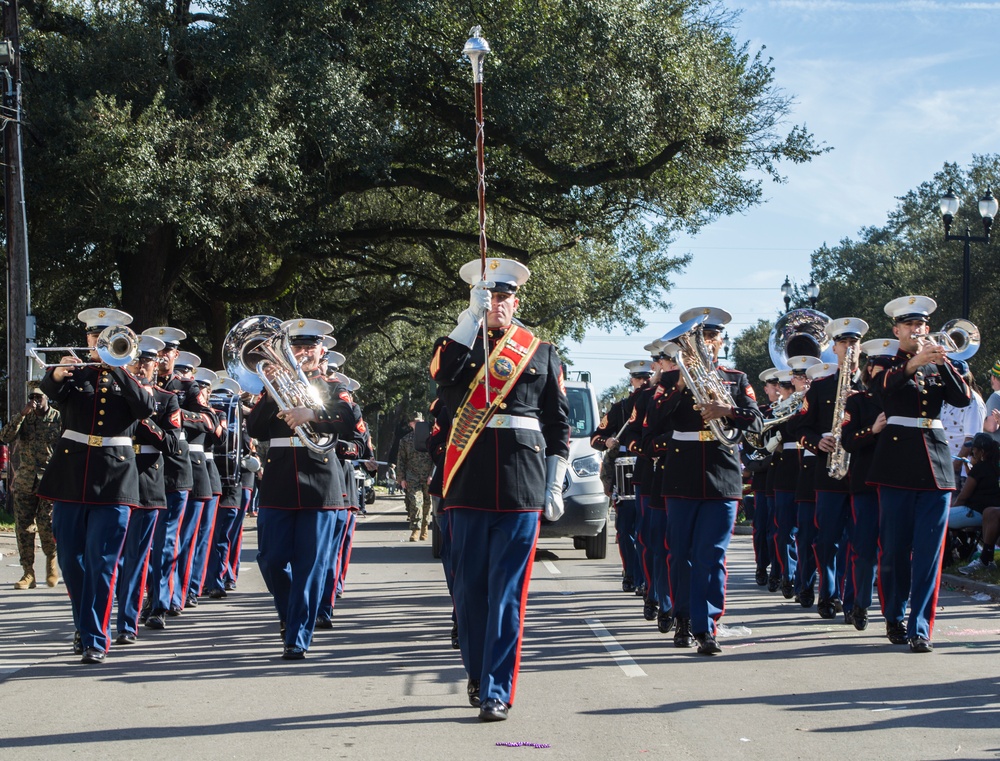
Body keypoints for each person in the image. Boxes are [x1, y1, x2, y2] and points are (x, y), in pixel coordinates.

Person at [430, 257, 569, 721]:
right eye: (488, 296)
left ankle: (496, 689)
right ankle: (477, 668)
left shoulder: (541, 351)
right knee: (470, 591)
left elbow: (557, 422)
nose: (497, 303)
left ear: (516, 300)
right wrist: (468, 321)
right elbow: (442, 376)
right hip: (466, 481)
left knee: (507, 593)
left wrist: (555, 476)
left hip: (521, 482)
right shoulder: (458, 347)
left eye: (504, 296)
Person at [36, 308, 156, 663]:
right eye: (93, 335)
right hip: (70, 476)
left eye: (105, 335)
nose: (98, 341)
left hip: (115, 478)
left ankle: (94, 639)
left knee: (101, 562)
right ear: (87, 339)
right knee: (71, 561)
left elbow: (146, 408)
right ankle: (84, 624)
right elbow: (51, 393)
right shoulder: (76, 373)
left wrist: (119, 369)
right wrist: (57, 374)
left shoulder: (130, 375)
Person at [646, 307, 762, 654]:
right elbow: (651, 424)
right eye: (701, 337)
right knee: (681, 553)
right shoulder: (667, 382)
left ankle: (706, 626)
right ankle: (682, 618)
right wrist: (680, 387)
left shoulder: (736, 379)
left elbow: (756, 422)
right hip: (681, 474)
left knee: (712, 555)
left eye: (712, 337)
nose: (706, 343)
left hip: (722, 473)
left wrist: (726, 411)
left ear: (720, 341)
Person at [246, 318, 362, 660]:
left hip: (320, 482)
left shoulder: (333, 385)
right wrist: (271, 395)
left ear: (321, 350)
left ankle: (297, 636)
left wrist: (309, 412)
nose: (303, 352)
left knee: (309, 565)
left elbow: (350, 419)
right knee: (270, 560)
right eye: (296, 347)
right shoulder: (273, 386)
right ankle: (290, 615)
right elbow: (256, 430)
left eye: (309, 347)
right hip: (279, 480)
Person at [868, 295, 970, 653]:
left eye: (923, 325)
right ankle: (894, 614)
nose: (918, 331)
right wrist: (914, 363)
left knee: (930, 551)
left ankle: (921, 626)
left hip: (936, 465)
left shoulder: (942, 362)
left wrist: (942, 363)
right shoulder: (882, 361)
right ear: (897, 330)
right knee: (894, 548)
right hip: (896, 462)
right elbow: (880, 392)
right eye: (910, 326)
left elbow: (962, 398)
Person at [787, 317, 868, 620]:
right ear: (834, 347)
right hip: (828, 472)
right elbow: (800, 429)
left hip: (861, 472)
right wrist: (815, 443)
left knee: (857, 540)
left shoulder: (872, 385)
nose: (849, 348)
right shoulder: (820, 388)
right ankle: (828, 592)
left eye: (854, 343)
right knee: (826, 539)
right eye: (844, 343)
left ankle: (852, 602)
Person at [0, 381, 62, 589]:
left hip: (50, 481)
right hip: (26, 481)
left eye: (39, 398)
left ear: (47, 398)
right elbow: (5, 436)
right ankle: (28, 573)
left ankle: (51, 562)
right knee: (23, 529)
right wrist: (22, 415)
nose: (35, 402)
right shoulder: (24, 419)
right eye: (32, 398)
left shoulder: (59, 418)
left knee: (46, 525)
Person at [951, 432, 1000, 575]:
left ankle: (949, 554)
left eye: (973, 449)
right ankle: (963, 546)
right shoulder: (994, 466)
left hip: (974, 511)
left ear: (981, 451)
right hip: (983, 512)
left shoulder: (980, 468)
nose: (971, 452)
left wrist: (952, 510)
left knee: (939, 518)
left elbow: (963, 497)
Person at [397, 412, 434, 541]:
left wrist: (432, 475)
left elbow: (436, 458)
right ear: (410, 424)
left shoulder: (431, 438)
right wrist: (401, 478)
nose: (418, 424)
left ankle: (425, 528)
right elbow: (401, 460)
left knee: (427, 504)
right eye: (415, 422)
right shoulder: (405, 440)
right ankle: (415, 529)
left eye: (420, 422)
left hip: (427, 476)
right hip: (412, 476)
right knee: (415, 503)